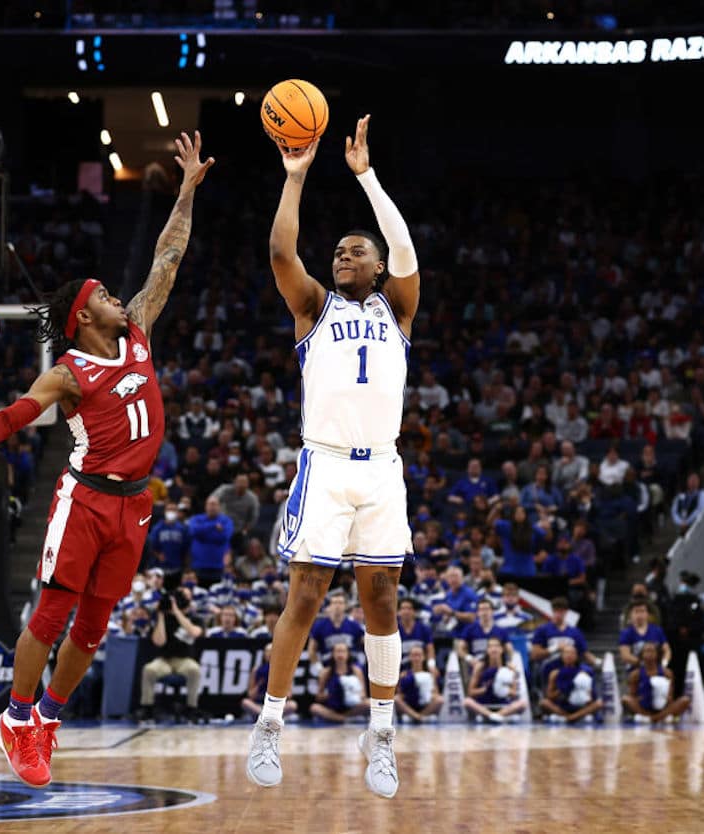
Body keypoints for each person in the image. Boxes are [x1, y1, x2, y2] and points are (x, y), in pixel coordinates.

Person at [0, 131, 212, 788]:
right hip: (84, 498)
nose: (116, 295)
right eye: (102, 294)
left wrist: (187, 191)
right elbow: (15, 418)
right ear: (82, 318)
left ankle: (48, 719)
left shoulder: (136, 331)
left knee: (96, 623)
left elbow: (167, 257)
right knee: (52, 615)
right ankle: (16, 717)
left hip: (135, 501)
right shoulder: (69, 373)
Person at [247, 115, 419, 798]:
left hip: (382, 467)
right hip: (324, 465)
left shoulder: (397, 308)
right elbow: (280, 254)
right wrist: (295, 179)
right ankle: (269, 723)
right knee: (308, 596)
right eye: (339, 251)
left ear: (376, 268)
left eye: (355, 252)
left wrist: (366, 177)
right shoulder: (314, 305)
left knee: (381, 601)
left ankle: (381, 735)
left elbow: (404, 250)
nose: (342, 256)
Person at [136, 588, 204, 722]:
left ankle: (191, 708)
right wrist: (161, 615)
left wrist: (177, 612)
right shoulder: (164, 618)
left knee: (194, 669)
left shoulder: (195, 618)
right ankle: (147, 708)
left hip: (184, 660)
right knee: (149, 669)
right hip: (164, 660)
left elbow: (194, 632)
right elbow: (159, 642)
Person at [464, 636, 527, 723]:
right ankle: (491, 715)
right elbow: (470, 692)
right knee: (467, 702)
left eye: (496, 646)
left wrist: (502, 690)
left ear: (501, 649)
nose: (494, 649)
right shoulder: (480, 667)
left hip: (503, 705)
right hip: (484, 705)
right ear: (487, 650)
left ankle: (497, 715)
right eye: (490, 646)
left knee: (522, 704)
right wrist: (485, 689)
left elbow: (514, 693)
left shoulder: (509, 668)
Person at [540, 643, 603, 724]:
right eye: (566, 653)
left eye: (572, 653)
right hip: (563, 705)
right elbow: (549, 696)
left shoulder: (585, 672)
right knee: (544, 703)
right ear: (561, 656)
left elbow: (591, 697)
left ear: (576, 656)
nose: (569, 655)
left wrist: (583, 694)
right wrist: (563, 689)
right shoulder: (555, 673)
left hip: (580, 706)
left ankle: (571, 717)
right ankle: (571, 717)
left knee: (599, 703)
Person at [309, 642, 370, 723]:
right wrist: (330, 694)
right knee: (314, 708)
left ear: (348, 654)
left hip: (351, 707)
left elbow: (363, 694)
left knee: (368, 703)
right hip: (332, 708)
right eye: (337, 651)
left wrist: (352, 693)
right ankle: (342, 718)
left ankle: (341, 718)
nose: (340, 654)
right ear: (333, 654)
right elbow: (318, 696)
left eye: (343, 651)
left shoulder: (356, 670)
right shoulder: (326, 672)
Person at [241, 642, 297, 720]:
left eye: (273, 651)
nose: (270, 654)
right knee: (245, 702)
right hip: (260, 705)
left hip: (277, 706)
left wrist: (279, 687)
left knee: (292, 705)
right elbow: (250, 695)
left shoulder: (285, 670)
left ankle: (266, 717)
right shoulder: (256, 670)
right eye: (268, 651)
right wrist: (260, 685)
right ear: (264, 654)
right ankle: (267, 717)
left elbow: (289, 695)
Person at [187, 495, 234, 587]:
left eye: (214, 504)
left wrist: (203, 533)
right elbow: (193, 531)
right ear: (205, 506)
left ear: (219, 506)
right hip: (199, 566)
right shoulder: (196, 519)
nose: (212, 507)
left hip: (219, 567)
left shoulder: (226, 521)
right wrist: (214, 526)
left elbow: (225, 535)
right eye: (210, 504)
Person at [395, 645, 443, 723]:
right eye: (414, 655)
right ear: (410, 657)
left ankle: (418, 716)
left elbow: (435, 693)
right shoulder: (404, 674)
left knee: (440, 700)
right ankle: (418, 717)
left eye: (419, 655)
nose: (416, 658)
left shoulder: (430, 674)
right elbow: (399, 694)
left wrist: (428, 694)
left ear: (424, 657)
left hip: (425, 705)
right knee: (396, 699)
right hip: (409, 704)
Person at [619, 599, 671, 669]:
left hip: (657, 669)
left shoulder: (657, 630)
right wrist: (643, 664)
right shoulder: (626, 633)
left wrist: (664, 663)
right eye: (636, 611)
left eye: (642, 611)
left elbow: (667, 650)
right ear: (630, 614)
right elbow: (625, 655)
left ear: (648, 614)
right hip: (635, 670)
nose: (639, 615)